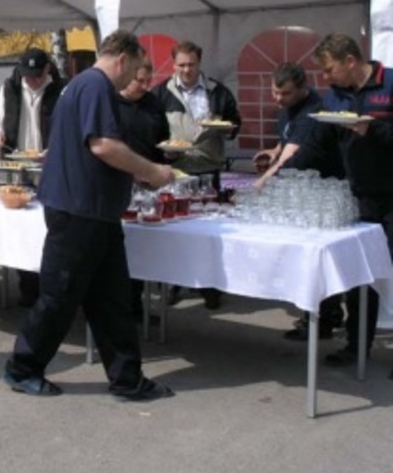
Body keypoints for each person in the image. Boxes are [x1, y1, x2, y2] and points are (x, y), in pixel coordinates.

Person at [3, 30, 174, 399]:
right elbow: (104, 145)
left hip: (94, 211)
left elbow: (83, 146)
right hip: (79, 210)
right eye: (136, 68)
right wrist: (152, 171)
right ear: (123, 59)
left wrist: (131, 174)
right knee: (59, 297)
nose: (135, 78)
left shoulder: (79, 86)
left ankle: (127, 378)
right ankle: (22, 367)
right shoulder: (96, 86)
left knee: (111, 300)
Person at [286, 34, 393, 370]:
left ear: (350, 61)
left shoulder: (390, 83)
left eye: (329, 69)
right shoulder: (334, 97)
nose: (325, 77)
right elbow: (316, 143)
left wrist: (372, 130)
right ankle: (357, 346)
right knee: (361, 277)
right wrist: (281, 174)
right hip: (359, 198)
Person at [251, 62, 345, 340]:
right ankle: (325, 314)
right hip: (302, 186)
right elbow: (286, 141)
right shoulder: (289, 107)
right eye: (274, 92)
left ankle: (323, 320)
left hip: (321, 191)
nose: (278, 99)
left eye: (285, 94)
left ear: (303, 89)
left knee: (316, 257)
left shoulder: (312, 111)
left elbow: (293, 154)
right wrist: (274, 150)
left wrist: (262, 182)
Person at [151, 40, 241, 310]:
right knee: (174, 232)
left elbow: (235, 124)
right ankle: (172, 283)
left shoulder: (218, 92)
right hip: (176, 171)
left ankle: (209, 286)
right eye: (181, 65)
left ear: (199, 63)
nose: (186, 70)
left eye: (191, 64)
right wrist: (164, 154)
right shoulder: (160, 93)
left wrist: (226, 128)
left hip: (209, 168)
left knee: (209, 234)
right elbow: (153, 130)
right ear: (173, 65)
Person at [0, 48, 64, 307]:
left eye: (37, 76)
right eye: (27, 76)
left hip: (49, 166)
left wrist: (56, 147)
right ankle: (28, 287)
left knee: (46, 228)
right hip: (16, 165)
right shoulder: (10, 87)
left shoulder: (61, 90)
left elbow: (69, 124)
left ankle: (49, 286)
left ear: (47, 70)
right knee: (21, 229)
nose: (31, 81)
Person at [116, 57, 170, 324]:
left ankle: (136, 305)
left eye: (149, 81)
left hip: (148, 184)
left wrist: (168, 157)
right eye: (140, 81)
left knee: (142, 247)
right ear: (127, 77)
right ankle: (122, 308)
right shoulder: (111, 104)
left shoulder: (153, 104)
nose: (146, 86)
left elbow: (163, 140)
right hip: (119, 182)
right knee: (121, 247)